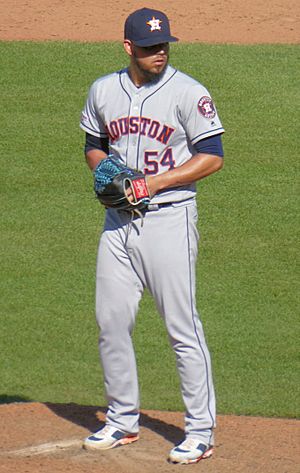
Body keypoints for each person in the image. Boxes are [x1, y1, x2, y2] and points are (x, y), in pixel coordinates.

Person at [80, 7, 224, 465]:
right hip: (118, 225)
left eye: (162, 46)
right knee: (111, 321)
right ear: (129, 48)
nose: (158, 53)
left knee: (182, 327)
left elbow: (213, 157)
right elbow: (93, 142)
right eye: (148, 48)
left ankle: (200, 430)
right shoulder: (104, 90)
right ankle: (122, 420)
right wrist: (109, 173)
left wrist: (153, 183)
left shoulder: (188, 93)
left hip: (170, 220)